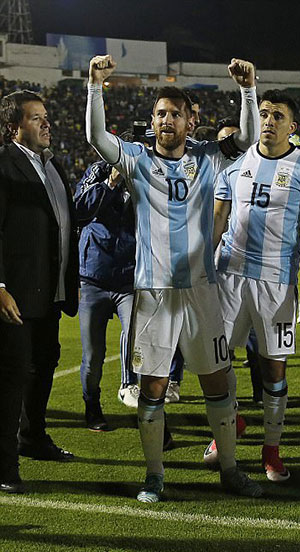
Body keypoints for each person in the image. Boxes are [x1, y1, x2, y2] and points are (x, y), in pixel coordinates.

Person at [85, 54, 262, 502]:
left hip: (202, 290)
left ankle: (229, 469)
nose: (167, 120)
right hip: (154, 293)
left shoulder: (207, 159)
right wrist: (94, 86)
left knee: (217, 381)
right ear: (153, 122)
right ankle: (155, 476)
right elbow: (95, 137)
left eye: (175, 114)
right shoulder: (137, 161)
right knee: (153, 386)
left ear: (189, 122)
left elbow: (248, 138)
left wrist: (248, 90)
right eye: (160, 114)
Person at [210, 90, 300, 481]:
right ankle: (229, 425)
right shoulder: (235, 163)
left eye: (277, 116)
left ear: (291, 127)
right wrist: (202, 264)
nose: (268, 121)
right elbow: (218, 216)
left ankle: (271, 451)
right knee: (218, 360)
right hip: (229, 274)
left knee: (273, 369)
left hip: (276, 281)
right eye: (264, 114)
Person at [0, 90, 79, 494]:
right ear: (14, 127)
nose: (47, 123)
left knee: (45, 363)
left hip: (49, 291)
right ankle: (4, 465)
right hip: (15, 295)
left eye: (46, 116)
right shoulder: (4, 165)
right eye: (36, 118)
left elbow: (65, 222)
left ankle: (32, 437)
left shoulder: (53, 165)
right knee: (12, 376)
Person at [74, 152, 139, 424]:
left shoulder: (147, 178)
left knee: (139, 336)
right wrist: (111, 182)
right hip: (95, 277)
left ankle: (133, 390)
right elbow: (80, 209)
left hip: (129, 278)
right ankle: (92, 404)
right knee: (93, 358)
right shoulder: (98, 172)